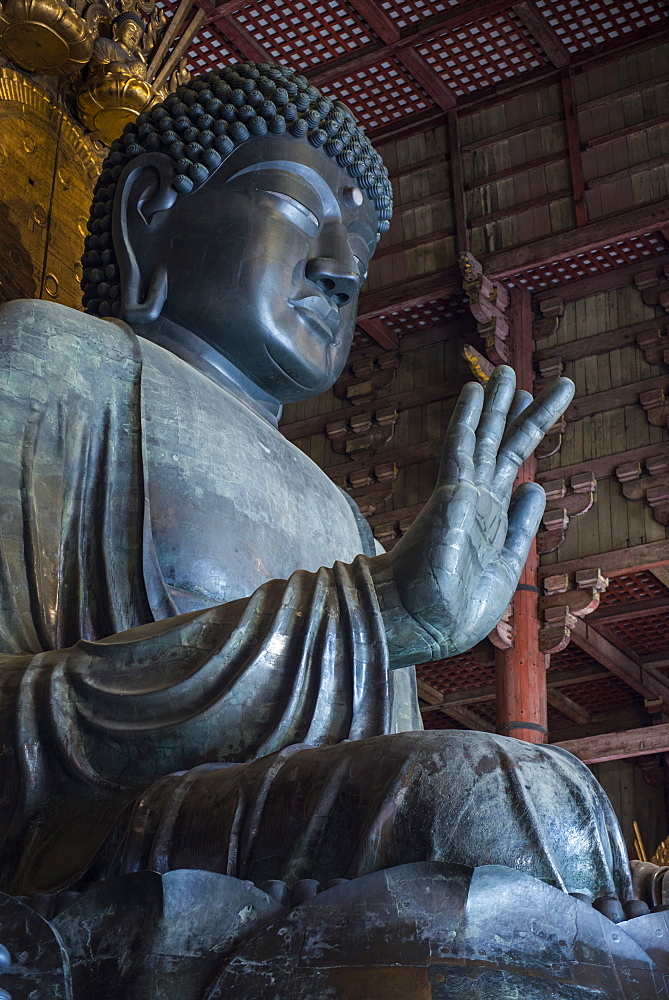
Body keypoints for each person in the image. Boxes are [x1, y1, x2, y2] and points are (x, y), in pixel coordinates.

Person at [0, 62, 634, 911]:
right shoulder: (60, 365)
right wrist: (371, 614)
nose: (340, 270)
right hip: (101, 843)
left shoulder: (340, 513)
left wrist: (382, 615)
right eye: (298, 210)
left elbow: (370, 778)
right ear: (149, 208)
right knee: (489, 803)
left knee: (554, 821)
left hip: (273, 833)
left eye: (360, 250)